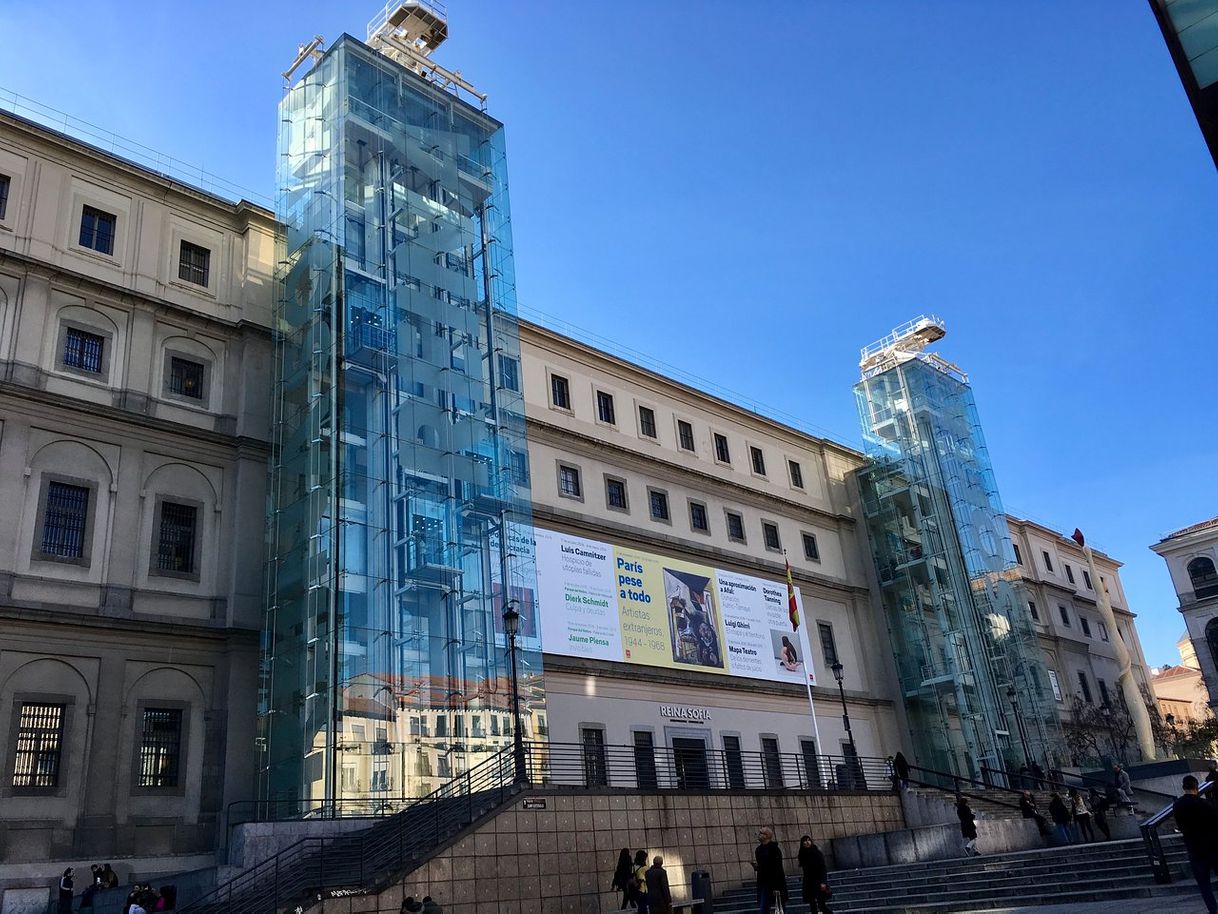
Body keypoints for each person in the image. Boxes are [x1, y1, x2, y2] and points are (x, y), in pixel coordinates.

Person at [1174, 774, 1218, 914]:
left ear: (1183, 787)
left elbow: (1180, 826)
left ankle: (1213, 909)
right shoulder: (1204, 804)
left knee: (1204, 884)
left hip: (1194, 848)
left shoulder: (1177, 805)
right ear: (1197, 787)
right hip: (1212, 847)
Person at [753, 827, 788, 914]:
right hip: (764, 883)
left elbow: (777, 868)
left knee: (780, 907)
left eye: (761, 833)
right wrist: (757, 867)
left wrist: (777, 887)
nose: (759, 835)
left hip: (774, 883)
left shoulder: (775, 849)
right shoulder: (758, 850)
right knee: (764, 908)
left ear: (767, 836)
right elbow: (764, 866)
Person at [797, 834, 832, 913]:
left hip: (818, 881)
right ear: (802, 843)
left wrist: (823, 882)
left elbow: (822, 868)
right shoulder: (802, 854)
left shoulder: (817, 853)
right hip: (809, 883)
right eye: (805, 841)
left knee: (821, 905)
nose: (807, 842)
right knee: (812, 906)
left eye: (808, 840)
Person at [633, 849, 651, 914]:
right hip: (646, 891)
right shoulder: (647, 868)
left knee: (642, 910)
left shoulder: (638, 869)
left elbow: (639, 883)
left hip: (641, 892)